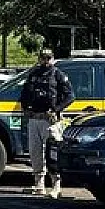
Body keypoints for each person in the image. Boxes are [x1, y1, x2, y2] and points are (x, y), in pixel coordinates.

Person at [17, 48, 74, 195]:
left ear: (53, 59)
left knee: (52, 153)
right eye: (43, 58)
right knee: (35, 152)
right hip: (34, 118)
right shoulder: (33, 74)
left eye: (48, 58)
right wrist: (25, 108)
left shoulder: (58, 75)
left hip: (50, 120)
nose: (46, 61)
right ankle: (39, 184)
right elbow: (24, 93)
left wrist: (56, 109)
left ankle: (56, 185)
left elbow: (70, 96)